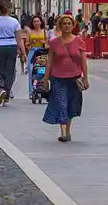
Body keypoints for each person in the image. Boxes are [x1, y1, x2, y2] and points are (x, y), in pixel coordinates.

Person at [42, 14, 89, 142]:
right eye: (64, 24)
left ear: (73, 25)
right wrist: (46, 79)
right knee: (62, 104)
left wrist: (85, 78)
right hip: (58, 78)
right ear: (60, 26)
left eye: (69, 23)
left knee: (71, 106)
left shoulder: (79, 41)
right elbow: (50, 62)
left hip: (75, 78)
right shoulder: (54, 43)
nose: (67, 26)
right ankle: (63, 132)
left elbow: (83, 61)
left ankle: (67, 131)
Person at [0, 5, 25, 107]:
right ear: (9, 10)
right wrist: (23, 52)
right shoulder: (14, 21)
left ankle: (0, 89)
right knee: (10, 71)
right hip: (12, 46)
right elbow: (19, 39)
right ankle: (7, 96)